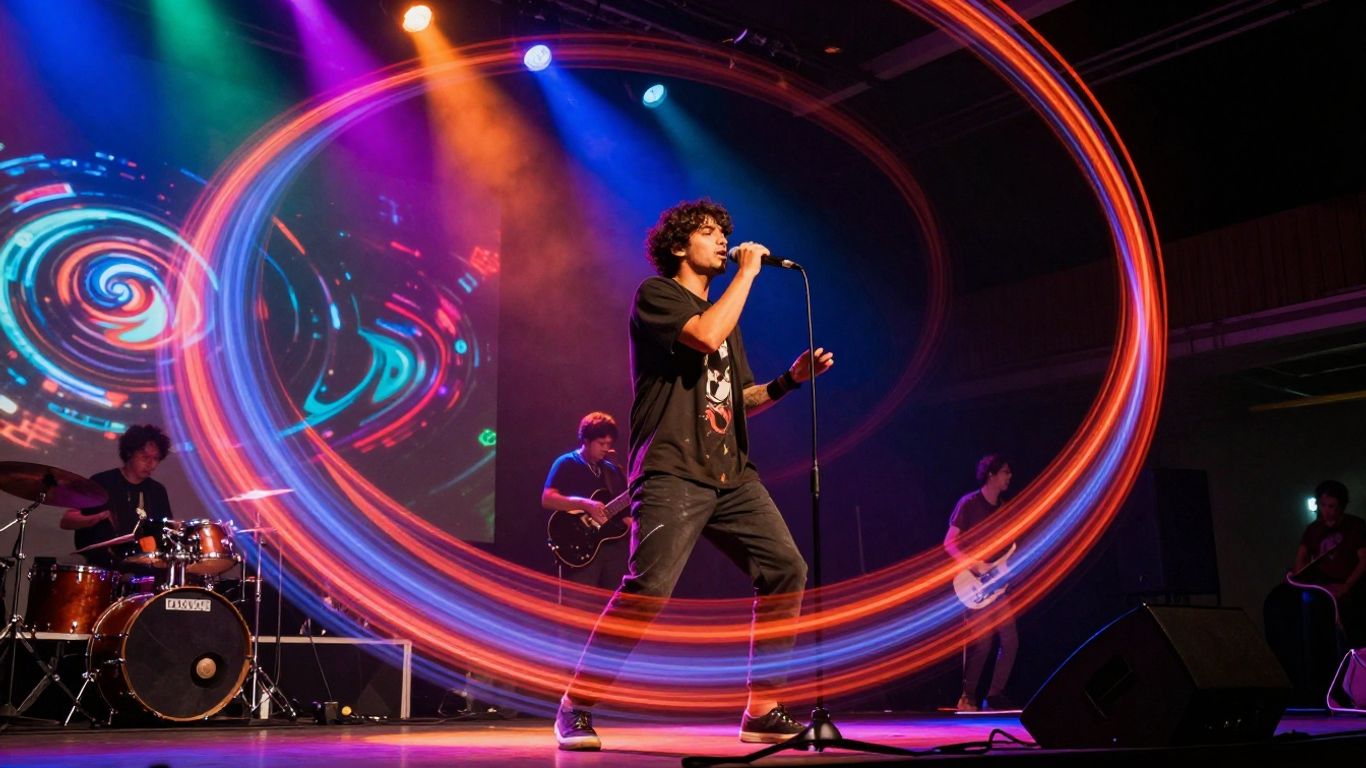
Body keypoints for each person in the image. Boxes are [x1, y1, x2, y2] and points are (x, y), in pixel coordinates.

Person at [554, 199, 834, 750]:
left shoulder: (725, 319)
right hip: (671, 470)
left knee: (785, 568)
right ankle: (575, 705)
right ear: (680, 246)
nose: (724, 242)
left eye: (725, 234)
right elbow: (703, 336)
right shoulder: (656, 296)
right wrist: (750, 273)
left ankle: (761, 709)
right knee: (648, 589)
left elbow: (738, 400)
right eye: (710, 233)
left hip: (731, 474)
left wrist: (789, 381)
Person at [943, 453, 1019, 712]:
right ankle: (968, 697)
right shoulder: (969, 504)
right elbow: (949, 543)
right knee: (984, 641)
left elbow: (1010, 548)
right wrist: (976, 565)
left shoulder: (1004, 509)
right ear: (991, 474)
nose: (1010, 477)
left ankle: (994, 695)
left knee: (1010, 641)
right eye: (1005, 472)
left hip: (997, 586)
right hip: (974, 582)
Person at [60, 424, 175, 570]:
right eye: (145, 457)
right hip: (102, 567)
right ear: (129, 453)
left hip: (142, 567)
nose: (151, 464)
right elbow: (67, 520)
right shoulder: (101, 482)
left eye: (156, 459)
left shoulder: (157, 491)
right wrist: (94, 519)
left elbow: (166, 532)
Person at [542, 411, 630, 591]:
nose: (606, 448)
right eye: (601, 443)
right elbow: (548, 499)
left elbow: (624, 514)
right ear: (586, 440)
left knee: (615, 605)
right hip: (581, 548)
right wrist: (586, 504)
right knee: (580, 606)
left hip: (613, 549)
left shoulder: (612, 471)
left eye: (609, 444)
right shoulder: (566, 463)